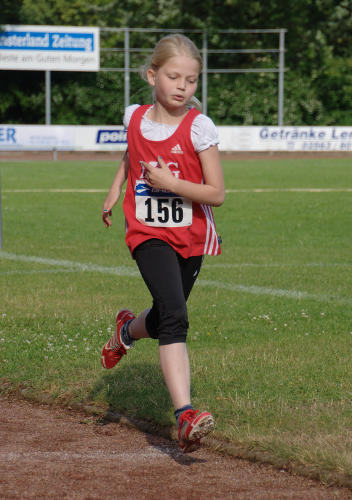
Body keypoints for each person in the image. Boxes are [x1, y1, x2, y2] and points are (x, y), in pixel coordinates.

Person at [100, 33, 225, 453]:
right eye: (173, 77)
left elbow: (216, 193)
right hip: (147, 233)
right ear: (153, 74)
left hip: (189, 235)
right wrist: (115, 189)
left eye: (191, 81)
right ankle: (185, 415)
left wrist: (173, 184)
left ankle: (126, 331)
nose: (182, 87)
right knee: (175, 318)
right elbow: (130, 156)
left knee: (167, 314)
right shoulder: (134, 117)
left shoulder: (199, 127)